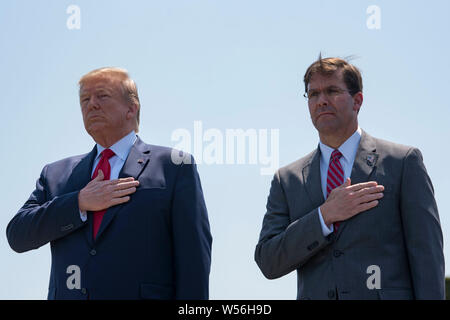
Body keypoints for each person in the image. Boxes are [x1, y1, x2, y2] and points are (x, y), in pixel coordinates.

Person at [6, 67, 212, 300]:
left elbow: (193, 260)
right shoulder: (55, 174)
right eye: (84, 99)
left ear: (131, 108)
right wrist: (78, 203)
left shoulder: (175, 167)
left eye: (102, 96)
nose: (91, 104)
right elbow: (18, 235)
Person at [254, 56, 445, 300]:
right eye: (313, 94)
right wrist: (324, 216)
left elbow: (427, 257)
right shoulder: (287, 180)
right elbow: (268, 260)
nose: (321, 101)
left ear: (358, 101)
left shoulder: (403, 162)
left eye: (332, 91)